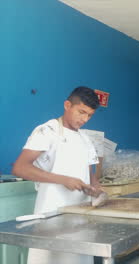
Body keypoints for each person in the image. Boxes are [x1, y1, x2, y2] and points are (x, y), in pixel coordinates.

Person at [12, 86, 102, 264]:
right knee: (50, 259)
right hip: (51, 213)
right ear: (67, 105)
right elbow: (20, 168)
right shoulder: (47, 131)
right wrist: (63, 180)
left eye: (89, 115)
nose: (85, 119)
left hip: (80, 215)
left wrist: (95, 187)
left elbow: (89, 173)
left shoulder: (85, 139)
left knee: (78, 258)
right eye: (81, 112)